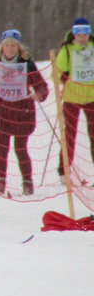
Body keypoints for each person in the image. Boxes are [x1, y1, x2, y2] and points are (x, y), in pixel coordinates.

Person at [0, 29, 48, 196]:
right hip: (2, 111)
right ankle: (0, 182)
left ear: (19, 47)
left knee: (21, 148)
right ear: (2, 47)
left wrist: (40, 94)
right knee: (1, 148)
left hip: (23, 111)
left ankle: (27, 183)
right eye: (7, 45)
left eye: (13, 45)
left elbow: (41, 85)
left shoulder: (27, 63)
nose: (10, 48)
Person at [55, 18, 94, 180]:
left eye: (85, 33)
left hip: (92, 97)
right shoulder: (67, 50)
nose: (82, 37)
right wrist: (65, 79)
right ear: (74, 34)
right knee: (69, 134)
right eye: (79, 33)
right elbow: (56, 71)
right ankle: (64, 171)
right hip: (72, 97)